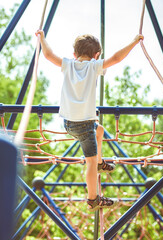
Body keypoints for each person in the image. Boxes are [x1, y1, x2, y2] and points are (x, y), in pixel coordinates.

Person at [35, 30, 144, 211]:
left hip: (69, 123)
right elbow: (116, 58)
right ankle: (93, 199)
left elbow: (47, 54)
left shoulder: (68, 64)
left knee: (99, 130)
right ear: (96, 55)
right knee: (90, 162)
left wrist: (42, 38)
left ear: (74, 54)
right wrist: (134, 41)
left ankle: (101, 163)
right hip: (84, 125)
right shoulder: (94, 66)